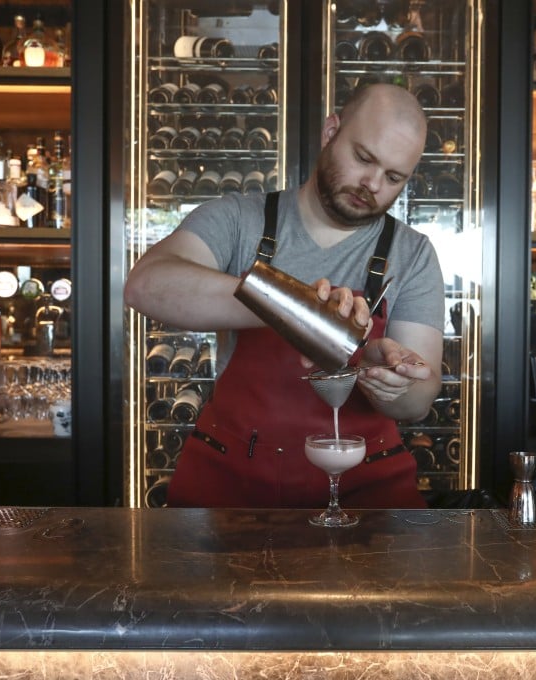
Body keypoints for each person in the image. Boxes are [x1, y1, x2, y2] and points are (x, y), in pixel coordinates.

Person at [123, 83, 444, 509]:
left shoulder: (413, 254)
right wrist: (305, 310)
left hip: (364, 495)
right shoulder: (238, 219)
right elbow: (146, 284)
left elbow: (419, 401)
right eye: (364, 158)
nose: (372, 184)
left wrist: (387, 379)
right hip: (232, 485)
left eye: (393, 177)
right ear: (331, 132)